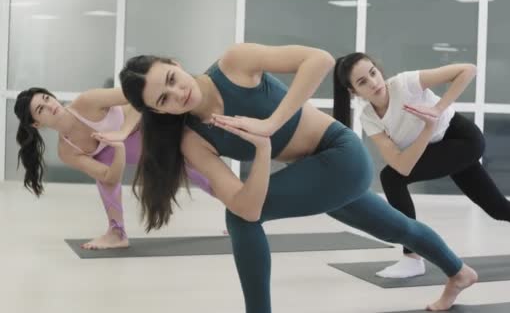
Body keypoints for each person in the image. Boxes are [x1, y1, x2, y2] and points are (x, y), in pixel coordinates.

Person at [119, 43, 478, 312]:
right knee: (396, 228)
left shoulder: (234, 63)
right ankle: (459, 272)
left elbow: (318, 60)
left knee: (240, 222)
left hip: (341, 155)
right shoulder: (192, 138)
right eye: (163, 99)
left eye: (171, 79)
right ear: (156, 111)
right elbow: (245, 203)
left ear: (176, 64)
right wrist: (261, 149)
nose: (177, 93)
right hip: (315, 172)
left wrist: (270, 125)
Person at [332, 52, 510, 279]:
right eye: (363, 82)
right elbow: (400, 164)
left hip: (462, 139)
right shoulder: (369, 118)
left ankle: (412, 257)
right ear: (354, 91)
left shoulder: (405, 84)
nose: (373, 82)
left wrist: (437, 109)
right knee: (498, 208)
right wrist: (427, 127)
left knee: (391, 178)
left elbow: (467, 70)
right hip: (438, 147)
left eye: (373, 73)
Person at [14, 87, 211, 249]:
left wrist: (122, 133)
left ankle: (235, 206)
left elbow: (141, 94)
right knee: (103, 164)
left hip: (150, 124)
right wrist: (119, 148)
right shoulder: (67, 150)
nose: (50, 106)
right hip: (130, 149)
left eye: (47, 98)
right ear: (37, 124)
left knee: (194, 166)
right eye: (41, 109)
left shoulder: (87, 101)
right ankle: (117, 232)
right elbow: (109, 177)